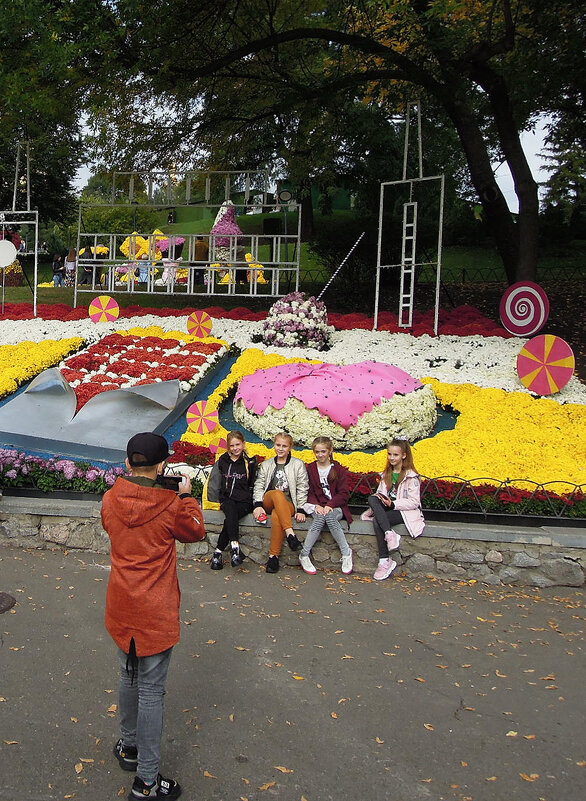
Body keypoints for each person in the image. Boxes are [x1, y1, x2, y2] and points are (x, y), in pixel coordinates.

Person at [101, 432, 205, 800]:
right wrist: (188, 494)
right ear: (162, 466)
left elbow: (115, 527)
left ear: (128, 463)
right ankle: (146, 781)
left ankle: (128, 747)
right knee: (150, 692)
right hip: (155, 611)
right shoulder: (172, 504)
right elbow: (195, 531)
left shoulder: (110, 499)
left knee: (128, 677)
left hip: (121, 606)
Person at [363, 438, 425, 581]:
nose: (391, 458)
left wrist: (393, 505)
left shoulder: (411, 477)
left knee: (378, 521)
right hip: (388, 507)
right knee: (372, 499)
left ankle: (384, 561)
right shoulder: (386, 474)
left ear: (404, 455)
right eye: (389, 454)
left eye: (395, 455)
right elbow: (381, 494)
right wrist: (383, 500)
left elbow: (414, 502)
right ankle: (389, 534)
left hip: (405, 511)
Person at [253, 432, 308, 573]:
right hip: (269, 499)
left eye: (284, 446)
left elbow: (302, 487)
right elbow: (259, 485)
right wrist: (258, 505)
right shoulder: (266, 464)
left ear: (290, 447)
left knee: (278, 514)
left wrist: (300, 509)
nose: (281, 449)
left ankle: (273, 558)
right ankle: (290, 533)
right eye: (278, 445)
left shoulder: (298, 464)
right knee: (277, 494)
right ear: (274, 445)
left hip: (288, 503)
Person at [300, 436, 353, 575]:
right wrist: (316, 505)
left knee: (329, 516)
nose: (320, 455)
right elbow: (309, 491)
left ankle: (346, 553)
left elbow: (343, 493)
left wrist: (330, 505)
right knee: (319, 518)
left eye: (323, 451)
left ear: (330, 451)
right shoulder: (311, 468)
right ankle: (304, 555)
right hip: (317, 506)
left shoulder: (338, 469)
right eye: (317, 452)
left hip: (335, 506)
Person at [208, 430, 257, 570]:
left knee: (231, 518)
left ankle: (217, 553)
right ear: (228, 447)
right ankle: (235, 547)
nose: (235, 448)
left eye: (238, 444)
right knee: (231, 511)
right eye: (232, 445)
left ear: (243, 444)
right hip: (227, 498)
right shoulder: (223, 460)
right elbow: (215, 480)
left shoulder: (249, 461)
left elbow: (253, 482)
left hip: (244, 500)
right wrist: (213, 499)